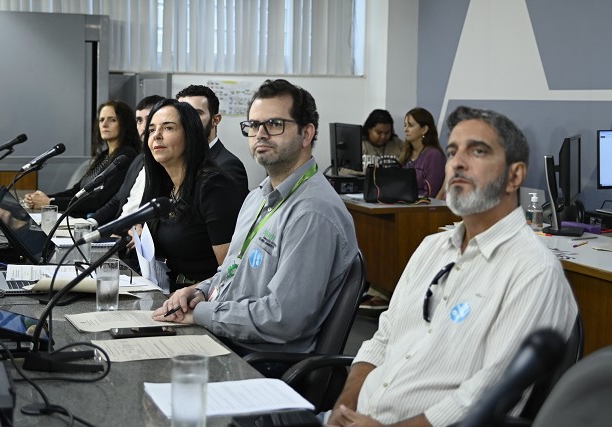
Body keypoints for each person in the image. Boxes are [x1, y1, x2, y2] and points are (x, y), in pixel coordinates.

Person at [327, 106, 578, 427]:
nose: (457, 162)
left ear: (514, 176)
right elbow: (383, 338)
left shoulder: (533, 270)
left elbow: (487, 396)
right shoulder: (433, 247)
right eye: (452, 151)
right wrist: (343, 406)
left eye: (478, 151)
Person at [152, 79, 359, 370]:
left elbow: (282, 319)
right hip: (226, 338)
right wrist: (198, 291)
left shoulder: (312, 213)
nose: (260, 134)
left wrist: (202, 313)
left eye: (274, 124)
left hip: (258, 362)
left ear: (306, 133)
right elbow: (232, 271)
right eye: (253, 125)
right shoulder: (257, 198)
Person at [140, 98, 243, 291]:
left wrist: (195, 295)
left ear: (190, 135)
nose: (157, 136)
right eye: (152, 129)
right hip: (167, 290)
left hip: (202, 299)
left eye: (168, 128)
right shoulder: (165, 186)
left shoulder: (213, 186)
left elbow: (231, 271)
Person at [24, 100, 140, 217]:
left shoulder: (126, 156)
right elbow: (77, 191)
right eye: (101, 120)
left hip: (94, 221)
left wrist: (50, 202)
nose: (104, 124)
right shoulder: (104, 156)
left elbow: (99, 201)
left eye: (112, 120)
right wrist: (42, 198)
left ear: (124, 124)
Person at [89, 95, 165, 227]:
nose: (143, 127)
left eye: (150, 119)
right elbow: (117, 201)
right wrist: (91, 223)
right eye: (139, 120)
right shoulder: (139, 160)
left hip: (134, 237)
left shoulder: (165, 163)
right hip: (117, 229)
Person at [176, 84, 249, 197]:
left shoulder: (228, 166)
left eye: (196, 113)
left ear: (215, 120)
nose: (188, 120)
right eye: (182, 114)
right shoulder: (178, 160)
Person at [399, 107, 446, 198]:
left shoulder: (433, 155)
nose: (406, 129)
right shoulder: (406, 153)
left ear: (424, 129)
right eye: (405, 125)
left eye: (411, 125)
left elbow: (431, 193)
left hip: (421, 209)